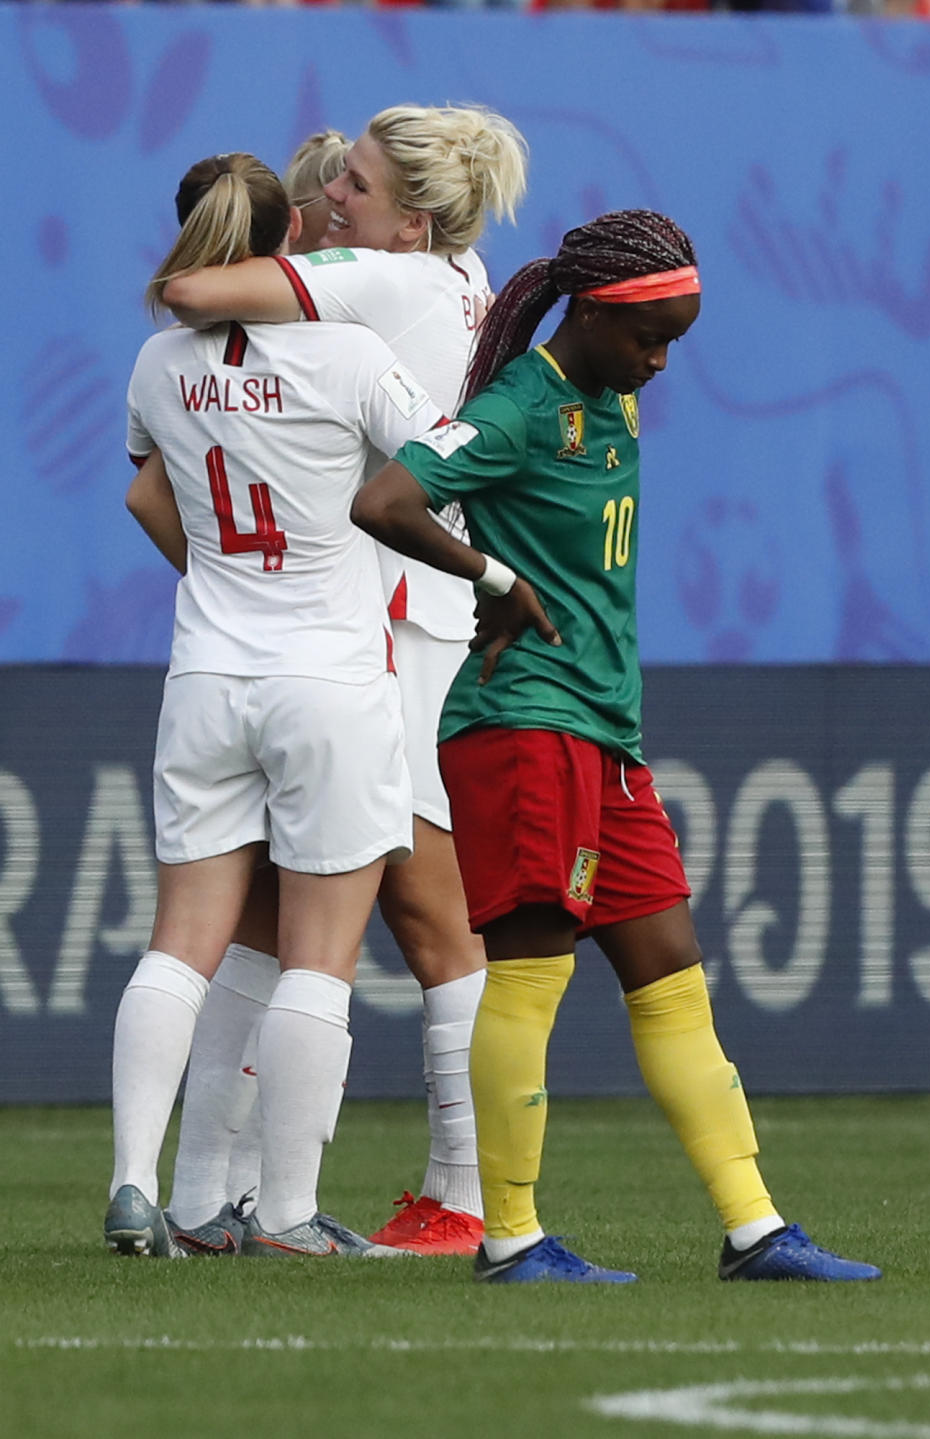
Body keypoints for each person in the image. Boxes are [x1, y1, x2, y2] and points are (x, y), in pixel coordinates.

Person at [350, 209, 885, 1285]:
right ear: (591, 312)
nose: (660, 360)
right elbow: (386, 498)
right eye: (650, 337)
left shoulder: (613, 396)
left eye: (676, 339)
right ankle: (509, 1236)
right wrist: (494, 579)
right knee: (532, 974)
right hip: (525, 725)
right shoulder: (515, 410)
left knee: (673, 974)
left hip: (604, 734)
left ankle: (756, 1229)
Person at [152, 104, 528, 1256]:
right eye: (335, 188)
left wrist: (243, 232)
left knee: (423, 906)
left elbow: (207, 289)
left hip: (396, 621)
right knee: (276, 902)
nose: (334, 210)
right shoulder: (450, 273)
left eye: (355, 190)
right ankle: (212, 1192)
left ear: (410, 222)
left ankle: (461, 1192)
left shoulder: (396, 284)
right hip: (358, 626)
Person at [106, 151, 443, 1260]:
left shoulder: (158, 363)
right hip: (332, 682)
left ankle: (132, 1184)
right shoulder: (350, 352)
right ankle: (290, 1214)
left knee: (180, 944)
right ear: (290, 241)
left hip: (207, 673)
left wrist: (211, 575)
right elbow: (439, 462)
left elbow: (149, 493)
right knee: (317, 957)